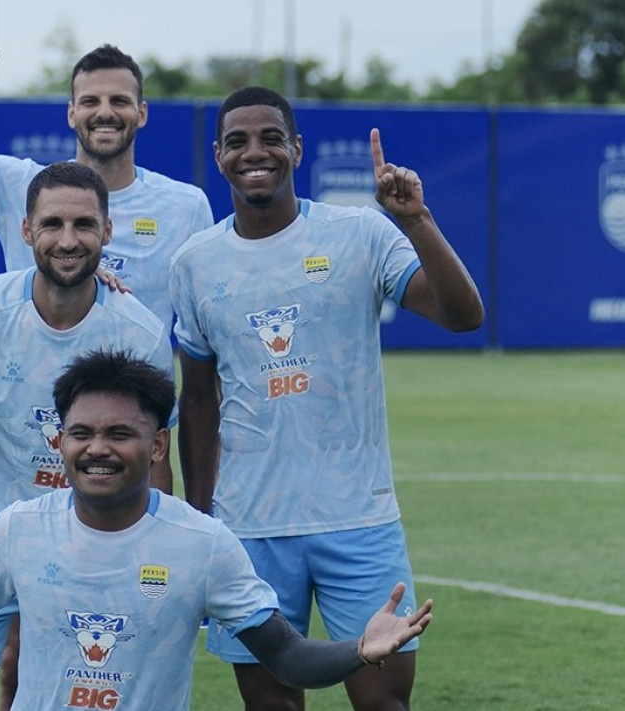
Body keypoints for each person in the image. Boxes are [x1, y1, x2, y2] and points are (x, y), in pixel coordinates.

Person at [0, 348, 434, 711]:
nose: (98, 449)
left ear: (156, 446)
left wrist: (358, 650)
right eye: (81, 433)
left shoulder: (204, 543)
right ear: (58, 442)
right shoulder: (20, 529)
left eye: (121, 434)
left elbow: (288, 657)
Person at [170, 86, 484, 711]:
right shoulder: (194, 263)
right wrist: (204, 525)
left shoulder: (359, 233)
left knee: (384, 704)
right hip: (249, 528)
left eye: (270, 138)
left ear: (296, 149)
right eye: (237, 141)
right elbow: (198, 402)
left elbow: (463, 315)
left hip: (359, 519)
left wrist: (417, 221)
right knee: (273, 707)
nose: (254, 152)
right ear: (218, 155)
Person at [0, 161, 176, 711]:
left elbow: (155, 465)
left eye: (84, 225)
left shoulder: (139, 332)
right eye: (52, 224)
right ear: (26, 230)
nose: (68, 239)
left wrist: (149, 565)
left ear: (107, 231)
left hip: (88, 554)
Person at [0, 44, 214, 335]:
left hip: (138, 378)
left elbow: (205, 326)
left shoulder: (186, 205)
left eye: (119, 101)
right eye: (90, 101)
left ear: (142, 113)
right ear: (71, 113)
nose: (105, 112)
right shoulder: (17, 184)